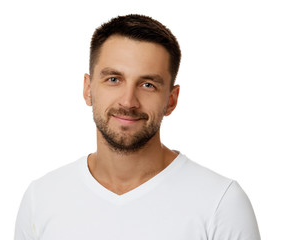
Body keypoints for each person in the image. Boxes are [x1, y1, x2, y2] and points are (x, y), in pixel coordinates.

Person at [14, 14, 260, 240]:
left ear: (171, 100)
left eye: (148, 84)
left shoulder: (221, 203)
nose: (128, 101)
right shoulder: (42, 198)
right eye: (114, 79)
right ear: (88, 89)